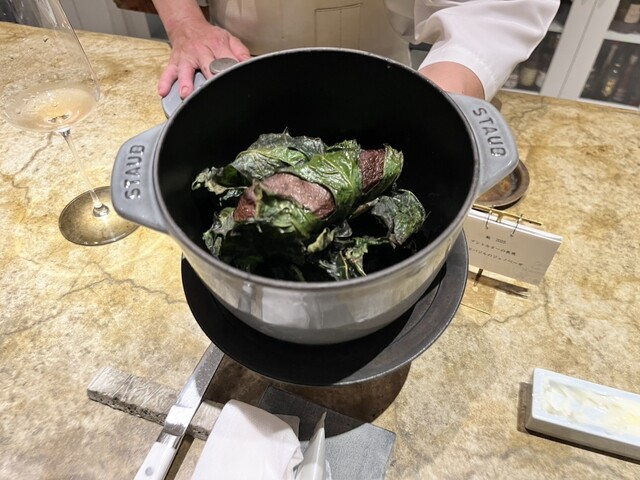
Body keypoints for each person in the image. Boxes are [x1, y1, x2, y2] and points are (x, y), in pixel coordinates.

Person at [150, 0, 559, 101]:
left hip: (377, 74)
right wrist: (184, 21)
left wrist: (427, 109)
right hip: (236, 54)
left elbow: (491, 8)